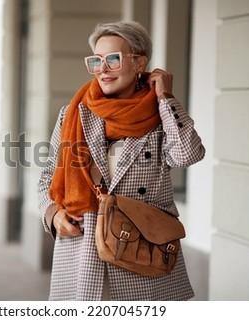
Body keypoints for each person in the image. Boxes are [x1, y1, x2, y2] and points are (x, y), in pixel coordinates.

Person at [38, 21, 205, 301]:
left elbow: (187, 154)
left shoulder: (161, 114)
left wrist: (165, 97)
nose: (102, 69)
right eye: (96, 60)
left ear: (139, 63)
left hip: (142, 248)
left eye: (113, 59)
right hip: (85, 247)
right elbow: (47, 178)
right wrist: (53, 214)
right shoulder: (75, 114)